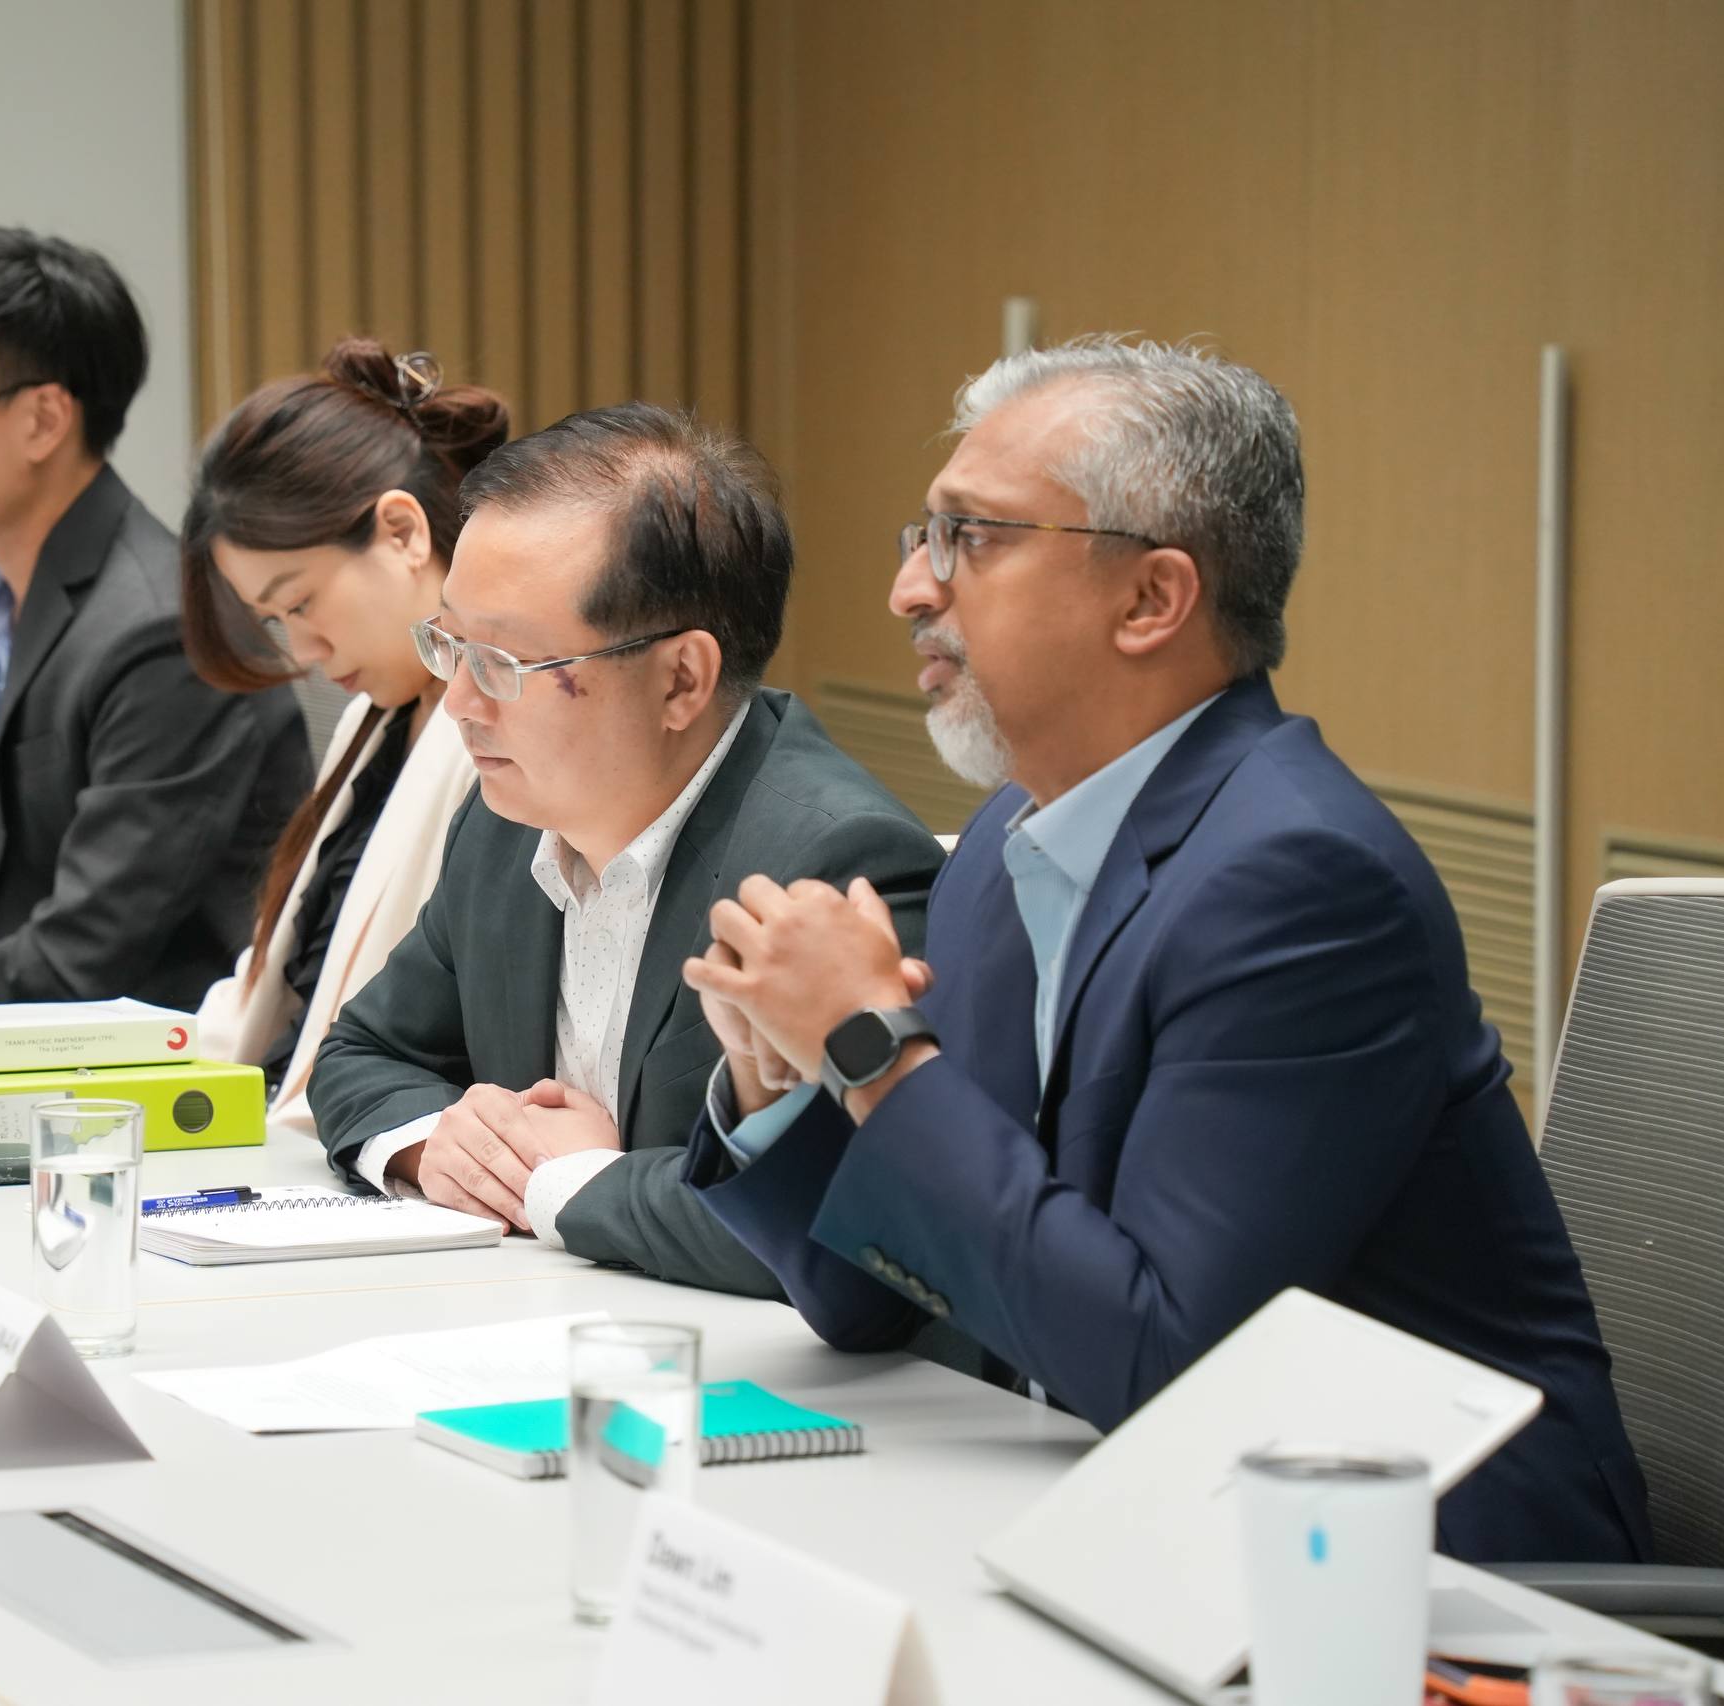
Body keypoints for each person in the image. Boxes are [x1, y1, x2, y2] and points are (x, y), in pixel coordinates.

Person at [681, 336, 1652, 1562]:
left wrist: (872, 1049)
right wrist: (781, 1078)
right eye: (923, 535)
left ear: (1150, 599)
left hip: (1425, 1569)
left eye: (970, 537)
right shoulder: (1007, 845)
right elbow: (876, 1299)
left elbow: (1168, 1365)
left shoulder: (1298, 883)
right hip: (1148, 1521)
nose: (911, 588)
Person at [311, 404, 943, 1294]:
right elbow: (361, 1053)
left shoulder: (836, 868)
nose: (458, 703)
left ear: (681, 679)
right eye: (451, 643)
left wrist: (565, 1181)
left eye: (504, 662)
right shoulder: (507, 818)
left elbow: (838, 1223)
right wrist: (439, 1145)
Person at [0, 226, 312, 1006]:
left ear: (42, 420)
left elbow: (86, 952)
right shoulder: (15, 589)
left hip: (147, 1054)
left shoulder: (162, 629)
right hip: (28, 1028)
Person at [179, 339, 507, 1142]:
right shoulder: (378, 717)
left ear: (401, 531)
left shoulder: (504, 735)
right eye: (274, 621)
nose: (302, 650)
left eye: (300, 602)